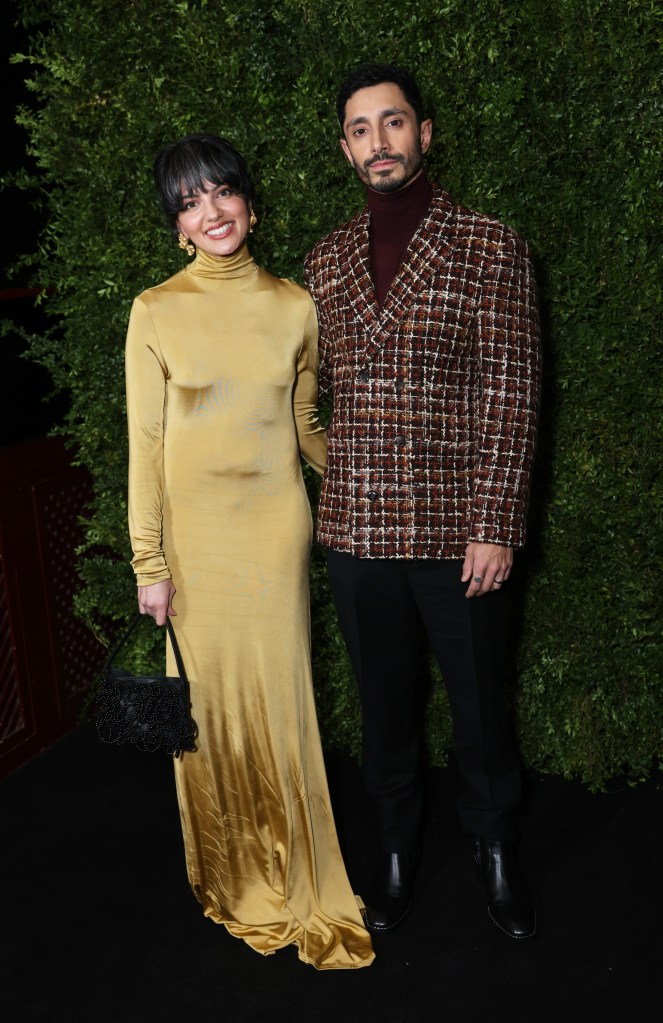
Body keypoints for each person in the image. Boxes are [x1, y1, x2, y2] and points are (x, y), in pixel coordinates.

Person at [125, 133, 374, 970]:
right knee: (210, 722)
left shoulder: (297, 307)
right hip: (194, 548)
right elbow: (145, 448)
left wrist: (377, 484)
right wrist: (148, 567)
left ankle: (300, 875)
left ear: (248, 202)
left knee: (283, 709)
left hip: (273, 535)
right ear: (178, 226)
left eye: (222, 191)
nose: (211, 210)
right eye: (190, 201)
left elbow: (306, 428)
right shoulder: (154, 310)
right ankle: (234, 878)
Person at [304, 64, 542, 941]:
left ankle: (494, 849)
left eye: (392, 123)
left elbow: (510, 391)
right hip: (357, 532)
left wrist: (494, 525)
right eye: (360, 129)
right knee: (384, 711)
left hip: (458, 537)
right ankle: (396, 850)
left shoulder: (489, 244)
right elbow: (305, 395)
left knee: (481, 708)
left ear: (424, 133)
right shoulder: (322, 259)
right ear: (345, 148)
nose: (378, 142)